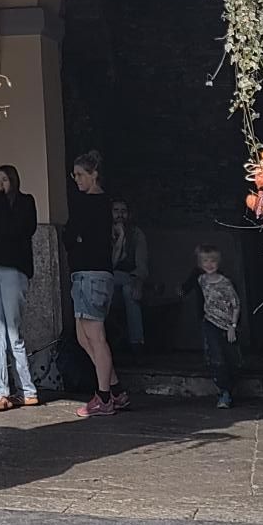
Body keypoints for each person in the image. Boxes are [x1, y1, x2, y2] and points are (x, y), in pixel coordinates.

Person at [62, 151, 129, 416]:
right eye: (74, 175)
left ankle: (103, 397)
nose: (77, 179)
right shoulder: (93, 204)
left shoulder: (93, 204)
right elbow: (71, 236)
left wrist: (76, 240)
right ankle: (115, 389)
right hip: (84, 273)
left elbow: (73, 235)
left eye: (81, 174)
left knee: (96, 337)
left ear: (94, 175)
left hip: (91, 274)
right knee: (83, 336)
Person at [0, 164, 40, 411]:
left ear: (13, 180)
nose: (0, 184)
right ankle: (0, 392)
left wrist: (0, 204)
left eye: (4, 179)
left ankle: (27, 389)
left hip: (14, 269)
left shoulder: (25, 202)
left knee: (13, 331)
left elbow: (17, 231)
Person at [183, 244, 241, 408]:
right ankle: (224, 392)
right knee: (216, 357)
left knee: (232, 358)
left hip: (227, 324)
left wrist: (233, 325)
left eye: (213, 260)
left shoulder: (226, 283)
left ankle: (230, 387)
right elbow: (185, 289)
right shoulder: (200, 279)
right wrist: (177, 293)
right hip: (210, 322)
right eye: (205, 261)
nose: (209, 264)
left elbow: (236, 304)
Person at [109, 198, 149, 352]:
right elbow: (109, 265)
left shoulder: (137, 234)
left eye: (123, 211)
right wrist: (120, 239)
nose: (120, 215)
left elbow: (142, 265)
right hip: (108, 280)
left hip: (129, 279)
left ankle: (136, 343)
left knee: (129, 291)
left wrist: (138, 282)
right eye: (116, 211)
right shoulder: (104, 232)